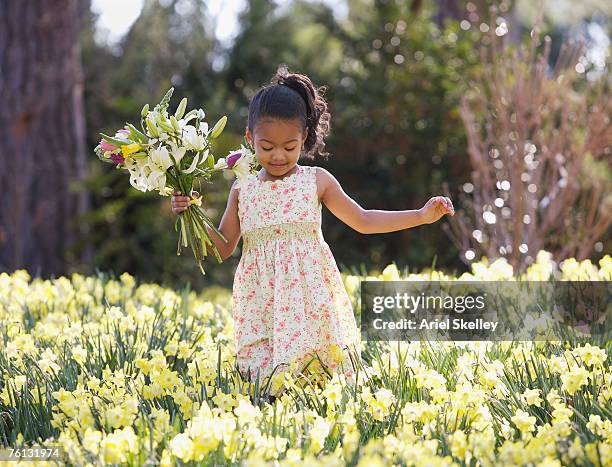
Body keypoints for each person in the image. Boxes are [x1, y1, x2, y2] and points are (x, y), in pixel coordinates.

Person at [171, 64, 454, 396]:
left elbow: (363, 220)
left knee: (318, 385)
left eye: (289, 147)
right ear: (250, 139)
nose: (278, 155)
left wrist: (420, 216)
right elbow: (221, 249)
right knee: (268, 390)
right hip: (262, 303)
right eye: (267, 147)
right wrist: (191, 215)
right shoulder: (242, 190)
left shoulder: (315, 181)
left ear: (303, 138)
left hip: (310, 300)